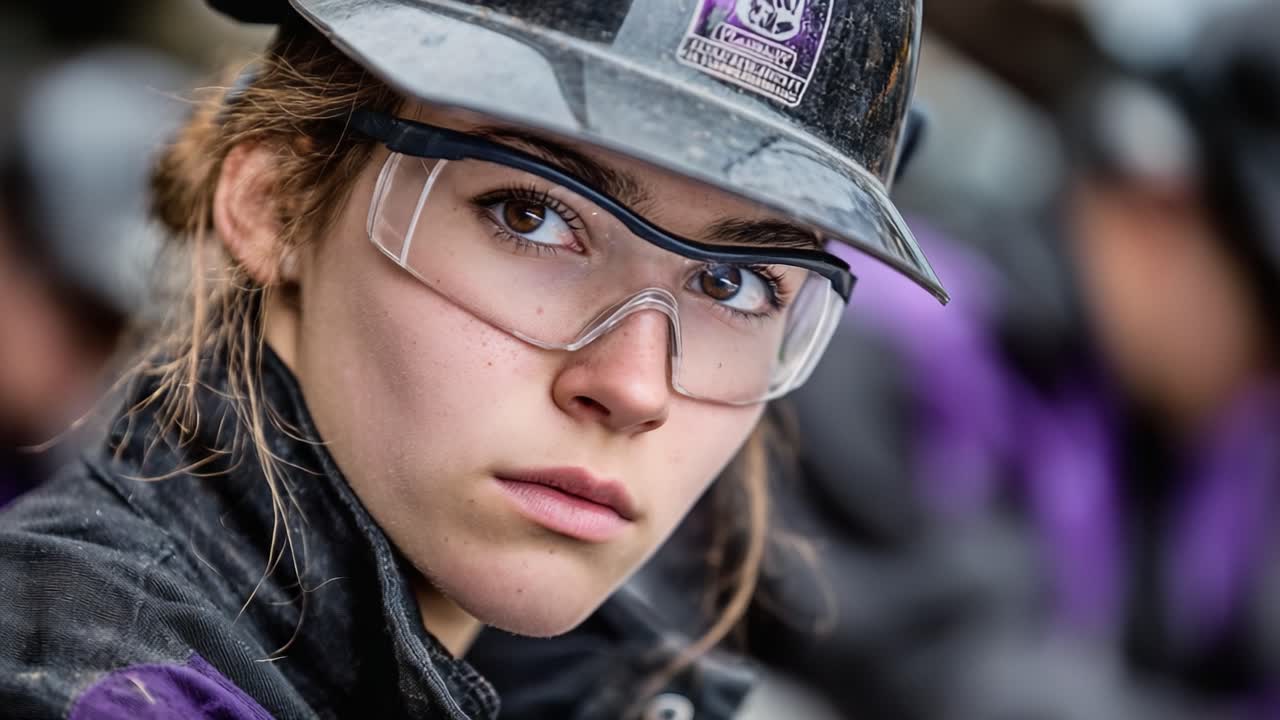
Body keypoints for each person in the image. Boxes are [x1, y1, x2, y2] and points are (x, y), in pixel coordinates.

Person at [0, 1, 945, 717]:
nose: (631, 385)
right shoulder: (91, 677)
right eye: (529, 215)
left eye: (740, 284)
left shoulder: (589, 683)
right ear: (275, 200)